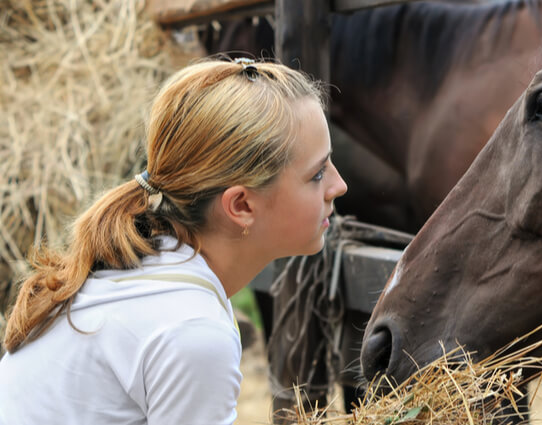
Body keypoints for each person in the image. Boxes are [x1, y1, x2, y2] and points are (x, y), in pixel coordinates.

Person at [0, 58, 347, 424]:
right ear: (242, 205)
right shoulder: (193, 331)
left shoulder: (146, 275)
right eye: (318, 173)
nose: (339, 186)